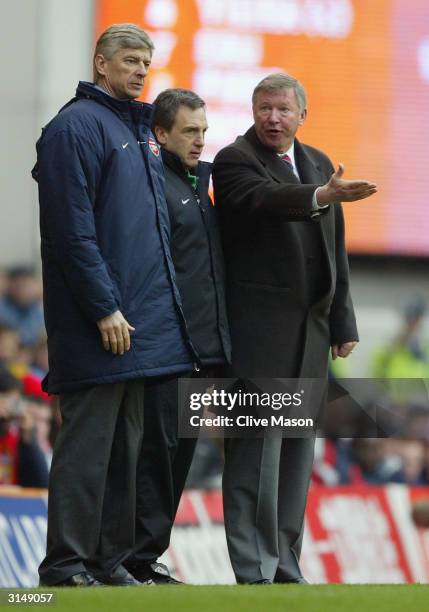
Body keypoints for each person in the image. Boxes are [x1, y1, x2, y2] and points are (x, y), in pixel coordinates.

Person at [33, 24, 195, 587]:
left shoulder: (141, 133)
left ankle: (106, 562)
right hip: (99, 325)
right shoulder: (74, 128)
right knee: (88, 451)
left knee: (127, 452)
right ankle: (65, 567)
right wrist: (104, 308)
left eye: (146, 62)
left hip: (141, 327)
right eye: (129, 60)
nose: (140, 71)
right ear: (101, 64)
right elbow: (70, 232)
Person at [212, 72, 377, 584]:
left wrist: (342, 322)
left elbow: (335, 253)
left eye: (283, 109)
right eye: (264, 108)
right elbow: (263, 200)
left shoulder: (321, 163)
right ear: (252, 110)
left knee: (294, 459)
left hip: (311, 338)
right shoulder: (235, 160)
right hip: (258, 338)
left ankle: (285, 565)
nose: (273, 118)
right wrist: (318, 195)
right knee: (253, 458)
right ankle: (253, 567)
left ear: (302, 114)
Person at [122, 88, 231, 584]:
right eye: (190, 131)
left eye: (204, 132)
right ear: (160, 133)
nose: (199, 141)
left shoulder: (196, 185)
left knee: (178, 455)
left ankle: (146, 558)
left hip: (200, 351)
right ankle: (131, 558)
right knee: (157, 455)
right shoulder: (152, 187)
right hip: (167, 347)